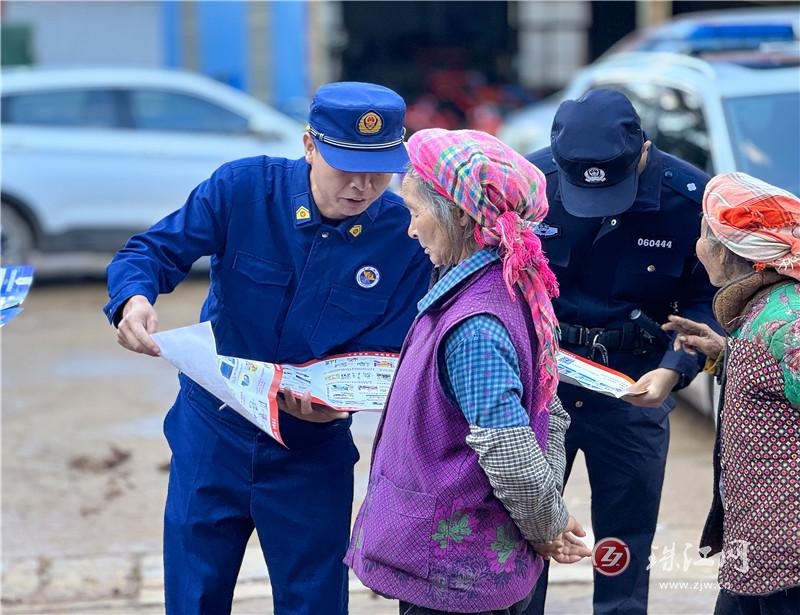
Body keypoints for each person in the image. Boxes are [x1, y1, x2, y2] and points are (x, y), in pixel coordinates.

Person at [103, 82, 432, 615]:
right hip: (214, 430)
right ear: (308, 146)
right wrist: (132, 300)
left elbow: (393, 350)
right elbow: (153, 249)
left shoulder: (403, 237)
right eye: (345, 164)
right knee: (194, 595)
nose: (363, 185)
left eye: (380, 169)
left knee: (314, 601)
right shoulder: (244, 190)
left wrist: (339, 402)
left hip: (310, 449)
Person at [345, 128, 591, 615]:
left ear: (458, 214)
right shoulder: (508, 286)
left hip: (456, 578)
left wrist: (547, 526)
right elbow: (551, 409)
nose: (410, 229)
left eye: (415, 213)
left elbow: (510, 445)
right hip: (463, 566)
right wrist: (548, 521)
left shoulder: (477, 324)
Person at [525, 89, 719, 615]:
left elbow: (709, 299)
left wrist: (674, 369)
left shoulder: (690, 200)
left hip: (636, 386)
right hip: (544, 386)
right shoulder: (526, 186)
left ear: (643, 150)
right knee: (524, 537)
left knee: (624, 547)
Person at [662, 172, 800, 615]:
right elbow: (776, 383)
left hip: (786, 550)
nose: (697, 245)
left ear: (729, 251)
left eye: (705, 233)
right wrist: (725, 354)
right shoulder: (766, 310)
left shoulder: (786, 322)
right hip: (759, 541)